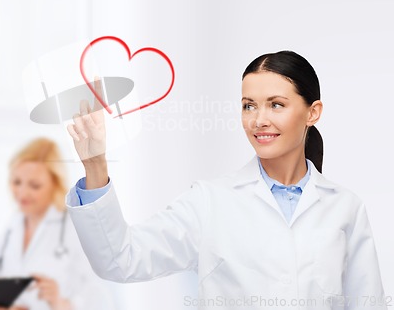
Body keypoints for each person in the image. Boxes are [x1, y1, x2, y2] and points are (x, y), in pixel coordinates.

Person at [64, 51, 387, 310]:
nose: (259, 120)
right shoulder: (210, 202)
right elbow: (120, 260)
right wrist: (95, 165)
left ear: (312, 112)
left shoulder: (344, 208)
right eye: (249, 106)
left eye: (276, 104)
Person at [0, 137, 113, 310]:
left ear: (55, 184)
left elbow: (100, 298)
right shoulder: (9, 230)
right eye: (16, 182)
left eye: (34, 185)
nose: (22, 193)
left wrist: (59, 303)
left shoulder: (76, 228)